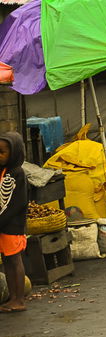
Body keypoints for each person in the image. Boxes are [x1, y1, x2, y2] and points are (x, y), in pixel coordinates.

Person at [0, 131, 29, 313]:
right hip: (4, 224)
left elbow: (13, 204)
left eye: (2, 152)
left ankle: (19, 299)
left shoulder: (16, 174)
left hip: (11, 225)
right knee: (7, 260)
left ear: (15, 152)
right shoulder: (4, 171)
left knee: (14, 260)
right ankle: (13, 297)